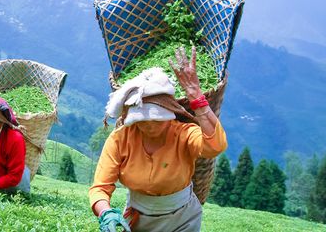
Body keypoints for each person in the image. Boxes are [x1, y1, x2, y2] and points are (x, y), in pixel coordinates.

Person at [89, 46, 228, 232]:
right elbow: (100, 187)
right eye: (142, 120)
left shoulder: (184, 134)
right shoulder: (120, 139)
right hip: (137, 217)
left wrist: (197, 97)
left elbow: (215, 146)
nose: (150, 125)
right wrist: (106, 213)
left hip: (182, 218)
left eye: (157, 119)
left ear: (170, 113)